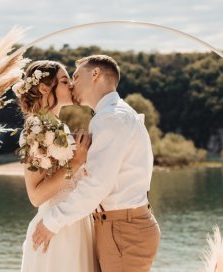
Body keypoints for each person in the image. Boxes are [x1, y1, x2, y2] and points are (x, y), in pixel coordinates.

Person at [32, 55, 161, 272]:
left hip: (123, 231)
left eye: (75, 76)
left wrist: (51, 223)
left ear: (95, 74)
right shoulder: (115, 115)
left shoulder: (111, 118)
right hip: (120, 227)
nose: (72, 84)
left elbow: (97, 185)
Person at [16, 60, 98, 272]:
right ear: (44, 88)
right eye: (64, 81)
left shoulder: (59, 126)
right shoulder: (34, 128)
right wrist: (77, 161)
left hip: (76, 220)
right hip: (55, 229)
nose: (71, 85)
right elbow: (35, 196)